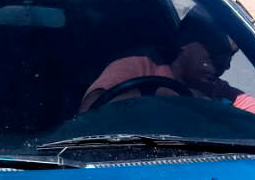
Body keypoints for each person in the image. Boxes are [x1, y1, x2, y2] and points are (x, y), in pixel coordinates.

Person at [80, 26, 255, 114]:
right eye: (215, 54)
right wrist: (185, 103)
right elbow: (94, 107)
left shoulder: (211, 86)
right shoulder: (137, 67)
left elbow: (246, 105)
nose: (225, 66)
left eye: (229, 57)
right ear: (185, 44)